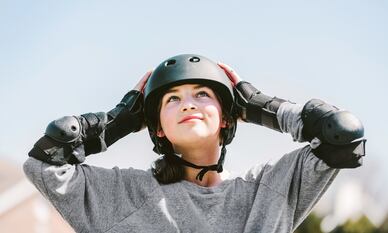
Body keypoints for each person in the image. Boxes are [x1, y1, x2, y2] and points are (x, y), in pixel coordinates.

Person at [23, 54, 366, 233]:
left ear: (229, 117)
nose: (188, 104)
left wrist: (263, 108)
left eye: (202, 94)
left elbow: (342, 135)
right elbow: (47, 161)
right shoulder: (124, 195)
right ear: (156, 127)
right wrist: (117, 121)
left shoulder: (268, 190)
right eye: (171, 99)